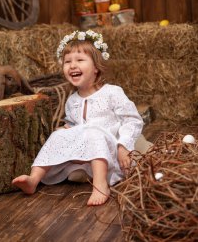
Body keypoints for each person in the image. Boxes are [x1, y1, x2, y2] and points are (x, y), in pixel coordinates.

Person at [12, 30, 143, 206]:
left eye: (80, 60)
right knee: (57, 135)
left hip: (110, 152)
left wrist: (123, 146)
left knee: (93, 132)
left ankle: (101, 184)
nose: (72, 65)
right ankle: (33, 179)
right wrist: (66, 129)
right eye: (67, 62)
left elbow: (132, 120)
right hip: (85, 155)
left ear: (96, 68)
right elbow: (75, 123)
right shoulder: (73, 100)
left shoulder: (112, 92)